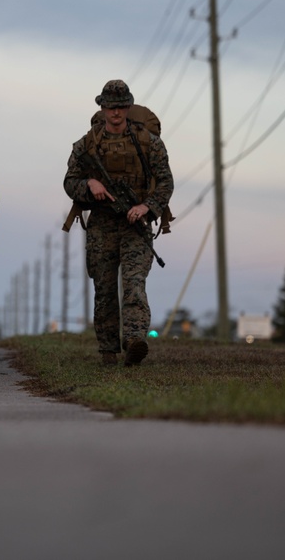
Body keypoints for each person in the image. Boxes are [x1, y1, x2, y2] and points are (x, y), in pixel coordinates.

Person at [62, 80, 173, 366]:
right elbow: (70, 181)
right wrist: (90, 184)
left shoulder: (148, 142)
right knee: (104, 287)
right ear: (102, 107)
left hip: (136, 223)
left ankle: (135, 339)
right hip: (102, 223)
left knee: (134, 283)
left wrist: (147, 206)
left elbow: (165, 182)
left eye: (121, 107)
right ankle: (108, 349)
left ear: (128, 107)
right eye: (110, 107)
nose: (115, 113)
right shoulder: (88, 144)